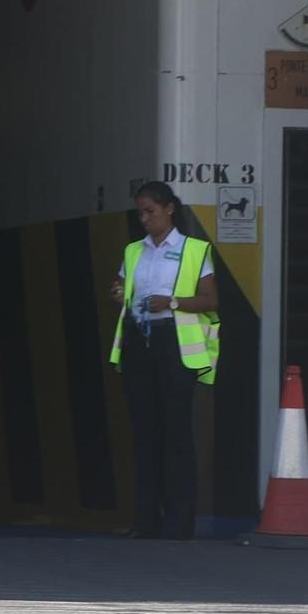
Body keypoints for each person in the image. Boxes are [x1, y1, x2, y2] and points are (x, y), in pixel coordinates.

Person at [108, 181, 221, 539]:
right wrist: (118, 292)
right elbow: (122, 286)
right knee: (144, 433)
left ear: (169, 209)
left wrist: (171, 302)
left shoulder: (194, 249)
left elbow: (210, 300)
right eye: (140, 212)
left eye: (150, 211)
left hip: (174, 343)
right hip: (140, 340)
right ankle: (145, 519)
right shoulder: (132, 251)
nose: (144, 219)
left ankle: (179, 521)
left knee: (176, 434)